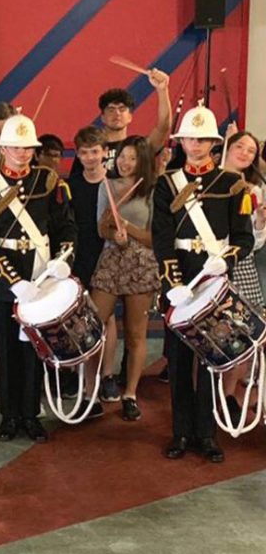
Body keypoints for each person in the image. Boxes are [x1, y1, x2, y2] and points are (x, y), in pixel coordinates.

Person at [153, 102, 253, 463]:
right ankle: (181, 431)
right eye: (190, 139)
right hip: (179, 279)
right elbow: (162, 236)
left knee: (213, 358)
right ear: (182, 142)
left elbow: (244, 238)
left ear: (213, 143)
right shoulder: (167, 184)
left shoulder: (232, 185)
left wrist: (225, 260)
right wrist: (172, 283)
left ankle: (207, 433)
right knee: (179, 360)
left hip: (215, 282)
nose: (195, 145)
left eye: (202, 139)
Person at [0, 112, 76, 443]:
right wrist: (13, 280)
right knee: (5, 349)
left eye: (28, 147)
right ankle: (9, 415)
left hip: (41, 275)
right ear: (2, 149)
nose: (22, 153)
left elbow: (65, 225)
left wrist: (63, 260)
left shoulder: (48, 181)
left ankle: (30, 414)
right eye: (16, 147)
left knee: (34, 349)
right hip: (6, 279)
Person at [89, 135, 159, 421]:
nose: (125, 162)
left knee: (135, 333)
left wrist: (127, 228)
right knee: (93, 327)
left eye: (132, 158)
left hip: (141, 264)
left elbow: (154, 238)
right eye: (121, 156)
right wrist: (113, 234)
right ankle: (90, 392)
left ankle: (130, 393)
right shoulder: (106, 185)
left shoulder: (153, 189)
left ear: (143, 161)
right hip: (110, 259)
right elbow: (100, 228)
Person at [68, 126, 121, 410]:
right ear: (78, 154)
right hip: (80, 256)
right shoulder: (71, 185)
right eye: (84, 152)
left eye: (95, 151)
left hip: (108, 255)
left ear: (105, 153)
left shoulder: (114, 184)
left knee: (106, 317)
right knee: (81, 317)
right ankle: (81, 374)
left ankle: (107, 375)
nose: (90, 157)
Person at [219, 129, 264, 421]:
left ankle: (229, 396)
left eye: (251, 151)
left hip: (243, 268)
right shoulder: (210, 180)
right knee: (211, 337)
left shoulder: (254, 191)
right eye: (240, 147)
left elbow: (254, 243)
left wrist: (260, 225)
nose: (245, 153)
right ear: (227, 146)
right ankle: (205, 397)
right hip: (209, 268)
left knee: (244, 337)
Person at [68, 71, 172, 179]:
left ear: (130, 116)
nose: (117, 113)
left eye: (122, 109)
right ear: (102, 117)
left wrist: (162, 90)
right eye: (111, 110)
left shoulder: (139, 146)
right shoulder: (89, 148)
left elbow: (163, 127)